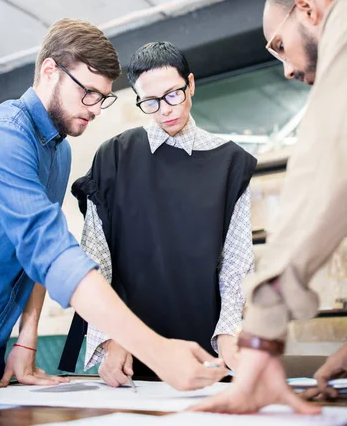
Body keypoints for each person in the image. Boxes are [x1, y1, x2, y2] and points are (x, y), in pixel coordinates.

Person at [0, 19, 227, 392]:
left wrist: (27, 340)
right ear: (50, 71)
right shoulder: (1, 135)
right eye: (88, 92)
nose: (95, 109)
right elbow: (53, 253)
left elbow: (37, 256)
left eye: (103, 97)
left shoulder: (58, 152)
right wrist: (156, 351)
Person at [191, 0, 347, 414]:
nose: (288, 68)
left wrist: (263, 327)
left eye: (280, 47)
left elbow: (334, 160)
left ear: (307, 9)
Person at [60, 41, 257, 387]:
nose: (164, 110)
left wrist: (229, 332)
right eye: (149, 102)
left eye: (172, 95)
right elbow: (95, 259)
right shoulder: (114, 157)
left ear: (190, 84)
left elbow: (236, 265)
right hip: (130, 353)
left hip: (205, 352)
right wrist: (111, 337)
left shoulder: (231, 164)